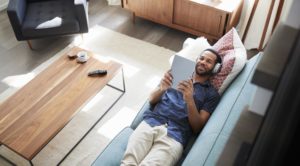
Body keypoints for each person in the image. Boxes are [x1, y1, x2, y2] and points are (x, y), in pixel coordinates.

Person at [121, 48, 222, 166]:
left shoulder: (212, 94)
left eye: (209, 61)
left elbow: (197, 127)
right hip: (152, 121)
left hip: (175, 136)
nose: (203, 62)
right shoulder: (178, 72)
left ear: (215, 68)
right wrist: (162, 88)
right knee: (128, 163)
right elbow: (152, 99)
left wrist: (190, 100)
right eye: (201, 58)